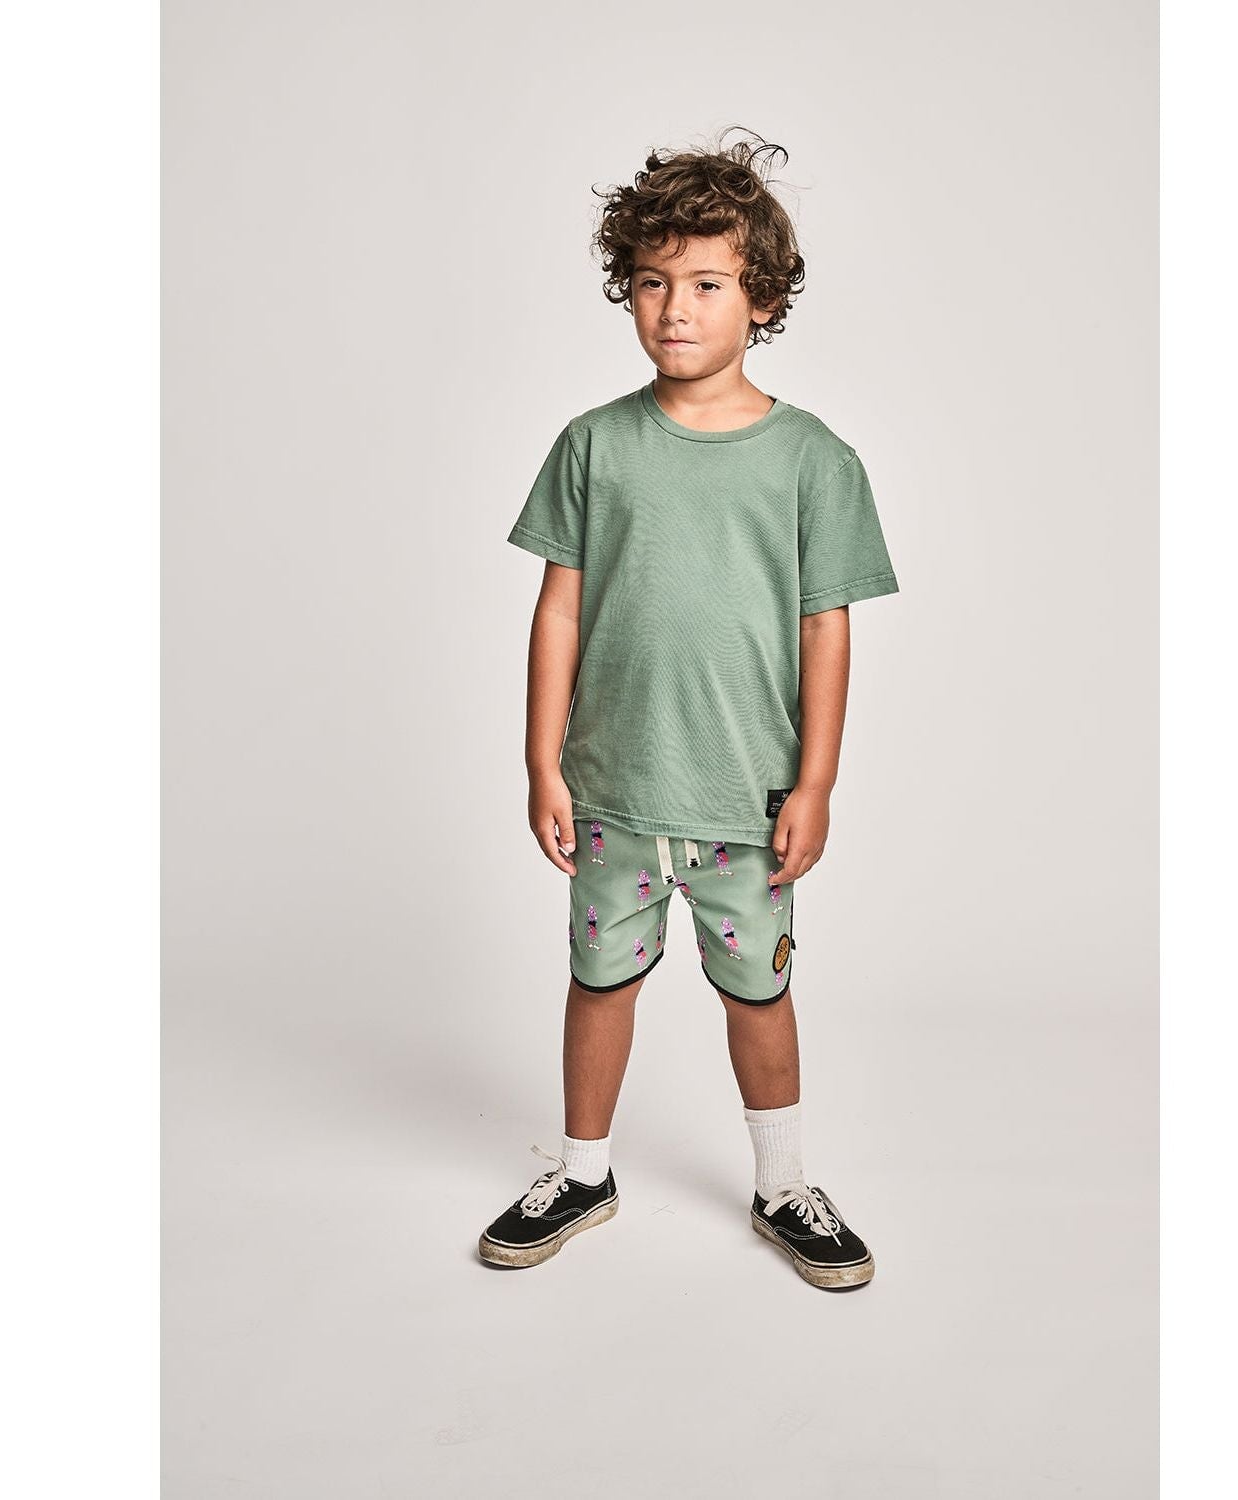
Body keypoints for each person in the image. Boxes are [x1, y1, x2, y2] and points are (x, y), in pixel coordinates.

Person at [478, 129, 899, 1289]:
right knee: (598, 982)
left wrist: (816, 784)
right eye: (654, 281)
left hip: (744, 802)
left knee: (759, 992)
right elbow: (559, 610)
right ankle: (582, 1173)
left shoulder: (813, 460)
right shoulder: (593, 446)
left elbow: (826, 628)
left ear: (761, 298)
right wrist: (543, 764)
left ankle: (783, 1184)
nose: (676, 308)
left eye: (707, 284)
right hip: (613, 790)